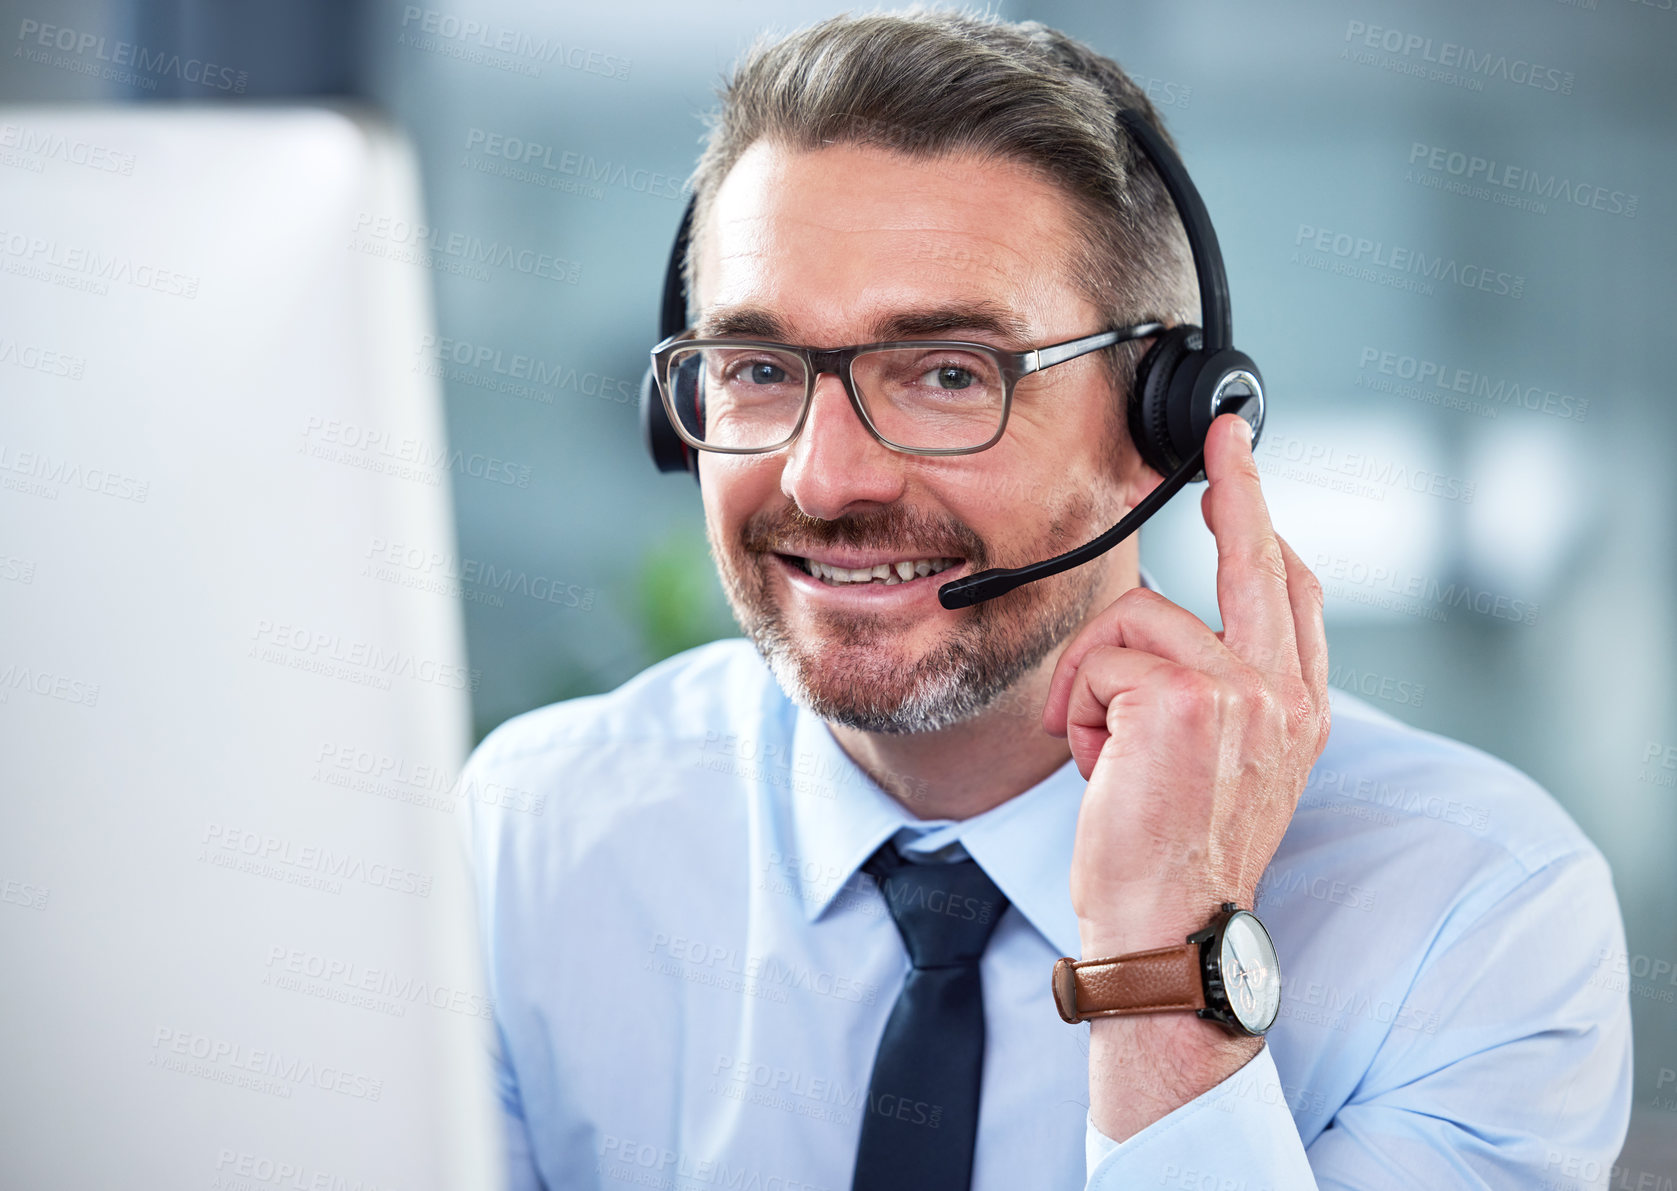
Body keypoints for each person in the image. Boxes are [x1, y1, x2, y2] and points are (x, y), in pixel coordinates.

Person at [457, 11, 1631, 1189]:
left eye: (947, 374)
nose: (825, 478)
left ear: (1165, 423)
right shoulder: (531, 841)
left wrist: (1169, 958)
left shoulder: (1475, 911)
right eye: (759, 371)